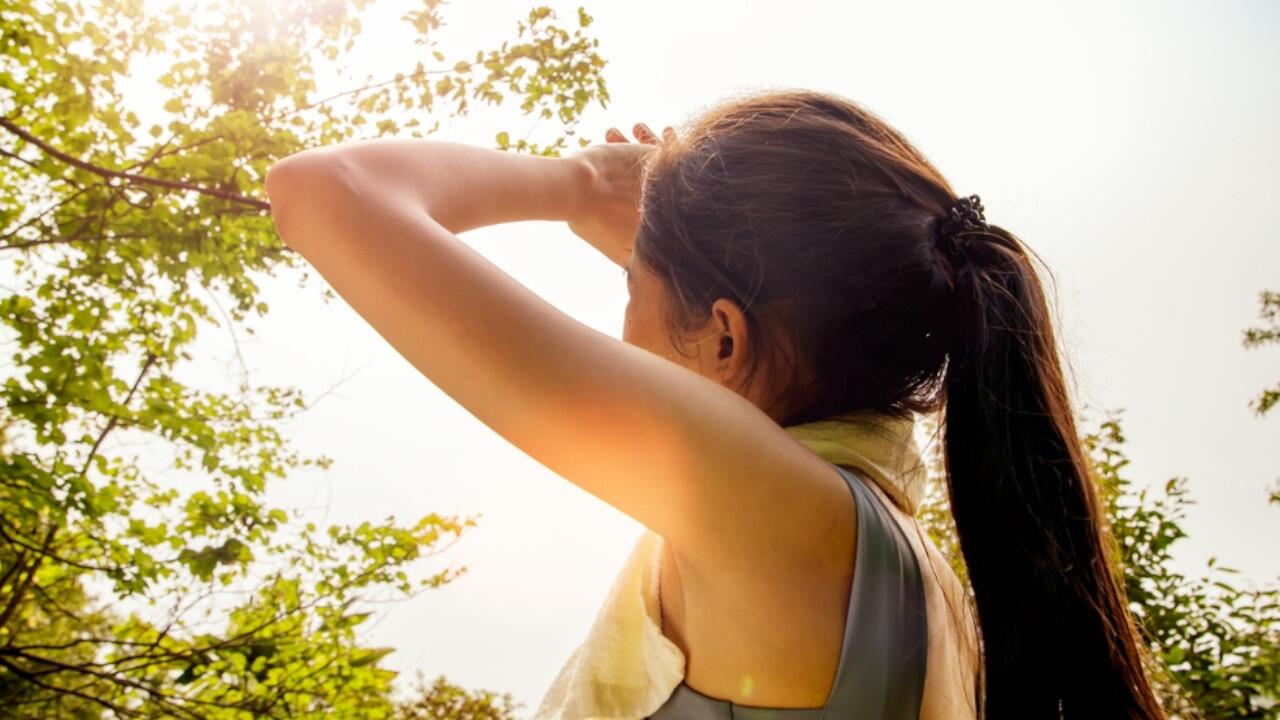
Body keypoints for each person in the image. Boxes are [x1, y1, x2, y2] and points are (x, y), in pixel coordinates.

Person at [264, 89, 1167, 718]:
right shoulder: (903, 571)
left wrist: (576, 179)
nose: (624, 335)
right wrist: (669, 275)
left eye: (628, 294)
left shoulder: (781, 519)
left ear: (728, 340)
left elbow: (324, 192)